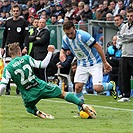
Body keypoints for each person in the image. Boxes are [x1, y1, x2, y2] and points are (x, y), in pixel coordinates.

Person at [0, 42, 96, 119]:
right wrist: (50, 52)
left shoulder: (8, 68)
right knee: (63, 94)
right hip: (40, 86)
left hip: (28, 94)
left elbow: (3, 85)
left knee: (29, 108)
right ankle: (82, 105)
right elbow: (43, 65)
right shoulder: (26, 58)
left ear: (10, 54)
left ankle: (38, 113)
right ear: (20, 52)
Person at [60, 21, 117, 113]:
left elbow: (98, 46)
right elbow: (63, 49)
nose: (70, 35)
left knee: (97, 89)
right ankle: (81, 110)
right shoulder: (65, 39)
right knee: (78, 87)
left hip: (95, 62)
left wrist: (105, 62)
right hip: (82, 64)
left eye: (71, 33)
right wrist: (61, 54)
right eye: (67, 34)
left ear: (74, 28)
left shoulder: (83, 35)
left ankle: (111, 85)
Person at [1, 4, 29, 95]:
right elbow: (4, 36)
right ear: (12, 11)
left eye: (17, 11)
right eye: (14, 11)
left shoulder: (23, 22)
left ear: (19, 12)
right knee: (8, 68)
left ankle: (19, 88)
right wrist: (2, 47)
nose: (15, 12)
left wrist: (25, 47)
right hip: (9, 48)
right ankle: (7, 88)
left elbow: (26, 36)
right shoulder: (8, 22)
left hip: (18, 48)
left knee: (18, 68)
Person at [117, 8, 133, 102]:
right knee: (124, 75)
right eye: (128, 16)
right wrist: (126, 37)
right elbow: (119, 37)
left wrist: (124, 37)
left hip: (132, 54)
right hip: (124, 54)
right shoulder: (125, 26)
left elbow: (130, 36)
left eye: (131, 16)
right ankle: (125, 95)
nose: (130, 18)